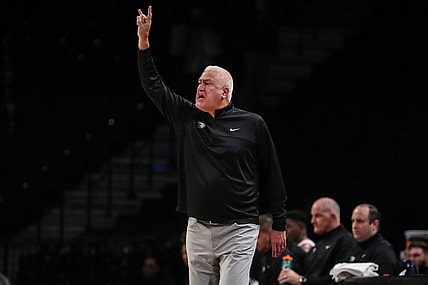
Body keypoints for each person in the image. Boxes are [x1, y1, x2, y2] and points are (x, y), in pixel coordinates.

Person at [136, 6, 287, 285]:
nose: (199, 87)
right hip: (198, 228)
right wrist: (144, 43)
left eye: (207, 83)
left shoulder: (252, 124)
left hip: (240, 228)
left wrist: (279, 224)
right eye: (198, 82)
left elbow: (272, 175)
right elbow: (154, 87)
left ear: (225, 92)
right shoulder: (187, 117)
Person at [277, 197, 360, 285]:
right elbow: (305, 272)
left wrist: (302, 280)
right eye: (312, 216)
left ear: (332, 217)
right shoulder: (319, 245)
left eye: (317, 216)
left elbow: (340, 279)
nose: (312, 221)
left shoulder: (346, 242)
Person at [250, 213, 306, 285]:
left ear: (270, 233)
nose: (254, 241)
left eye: (257, 236)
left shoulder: (288, 256)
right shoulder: (264, 256)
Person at [350, 203, 401, 276]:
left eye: (360, 221)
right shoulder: (352, 249)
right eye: (353, 221)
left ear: (374, 224)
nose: (354, 226)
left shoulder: (383, 252)